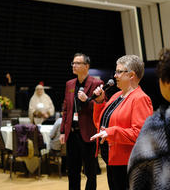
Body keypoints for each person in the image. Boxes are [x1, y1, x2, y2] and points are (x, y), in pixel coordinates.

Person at [90, 55, 153, 190]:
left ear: (131, 75)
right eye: (115, 71)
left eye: (119, 72)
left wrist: (111, 132)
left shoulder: (140, 99)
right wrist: (100, 102)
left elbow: (140, 134)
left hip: (128, 164)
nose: (115, 75)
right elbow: (100, 123)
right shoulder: (116, 96)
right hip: (112, 161)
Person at [60, 53, 103, 190]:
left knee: (90, 172)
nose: (74, 65)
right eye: (73, 63)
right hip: (72, 134)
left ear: (87, 66)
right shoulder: (70, 84)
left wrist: (87, 100)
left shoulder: (97, 83)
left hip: (88, 133)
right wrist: (62, 131)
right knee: (72, 171)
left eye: (77, 63)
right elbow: (66, 109)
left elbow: (101, 107)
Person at [128, 48, 170, 190]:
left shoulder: (157, 123)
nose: (115, 75)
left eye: (120, 71)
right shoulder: (114, 98)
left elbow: (137, 174)